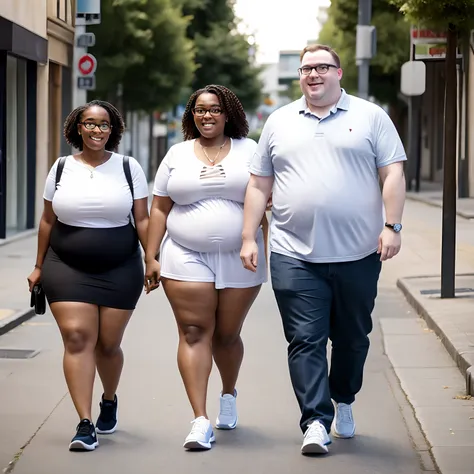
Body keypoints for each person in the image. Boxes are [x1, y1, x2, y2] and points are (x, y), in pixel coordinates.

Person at [240, 44, 406, 455]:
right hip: (292, 253)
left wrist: (392, 226)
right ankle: (315, 420)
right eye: (306, 69)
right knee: (304, 339)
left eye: (321, 67)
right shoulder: (279, 121)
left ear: (339, 72)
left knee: (352, 338)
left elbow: (393, 172)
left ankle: (344, 398)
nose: (313, 74)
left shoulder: (370, 116)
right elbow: (260, 183)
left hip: (358, 253)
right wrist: (248, 236)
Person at [145, 84, 268, 450]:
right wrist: (150, 256)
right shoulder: (177, 154)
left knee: (227, 335)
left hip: (240, 257)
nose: (207, 115)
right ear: (191, 115)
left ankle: (228, 394)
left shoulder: (251, 151)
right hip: (185, 254)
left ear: (228, 113)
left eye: (214, 109)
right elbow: (159, 208)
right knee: (195, 331)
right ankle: (200, 420)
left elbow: (266, 198)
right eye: (200, 110)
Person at [27, 100, 150, 451]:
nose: (97, 130)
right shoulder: (62, 167)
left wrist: (152, 258)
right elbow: (48, 220)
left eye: (104, 124)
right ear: (77, 128)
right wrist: (38, 266)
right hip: (65, 265)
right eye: (90, 123)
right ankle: (84, 423)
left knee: (108, 345)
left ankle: (108, 399)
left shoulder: (129, 167)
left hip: (121, 266)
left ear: (113, 130)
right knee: (78, 337)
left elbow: (142, 219)